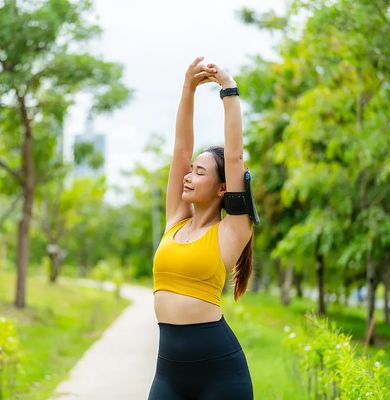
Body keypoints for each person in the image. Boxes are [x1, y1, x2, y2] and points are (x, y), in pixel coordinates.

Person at [148, 56, 255, 400]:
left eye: (199, 172)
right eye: (190, 170)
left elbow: (235, 158)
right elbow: (180, 149)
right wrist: (188, 88)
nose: (188, 175)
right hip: (168, 375)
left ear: (223, 188)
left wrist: (228, 90)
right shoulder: (176, 219)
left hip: (220, 377)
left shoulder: (231, 232)